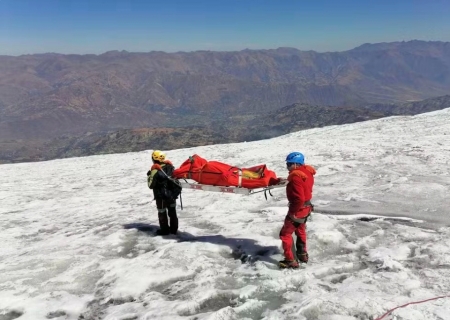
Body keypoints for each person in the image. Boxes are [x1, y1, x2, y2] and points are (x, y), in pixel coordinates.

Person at [279, 152, 316, 269]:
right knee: (300, 230)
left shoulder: (295, 177)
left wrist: (292, 213)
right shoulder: (307, 172)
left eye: (289, 164)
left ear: (296, 164)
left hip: (298, 210)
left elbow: (299, 198)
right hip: (307, 208)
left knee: (285, 234)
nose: (287, 167)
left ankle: (290, 260)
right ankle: (302, 254)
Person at [147, 150, 178, 235]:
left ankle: (164, 231)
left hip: (161, 197)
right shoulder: (170, 167)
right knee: (172, 212)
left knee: (162, 212)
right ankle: (174, 230)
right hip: (172, 195)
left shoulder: (155, 170)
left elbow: (150, 185)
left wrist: (149, 175)